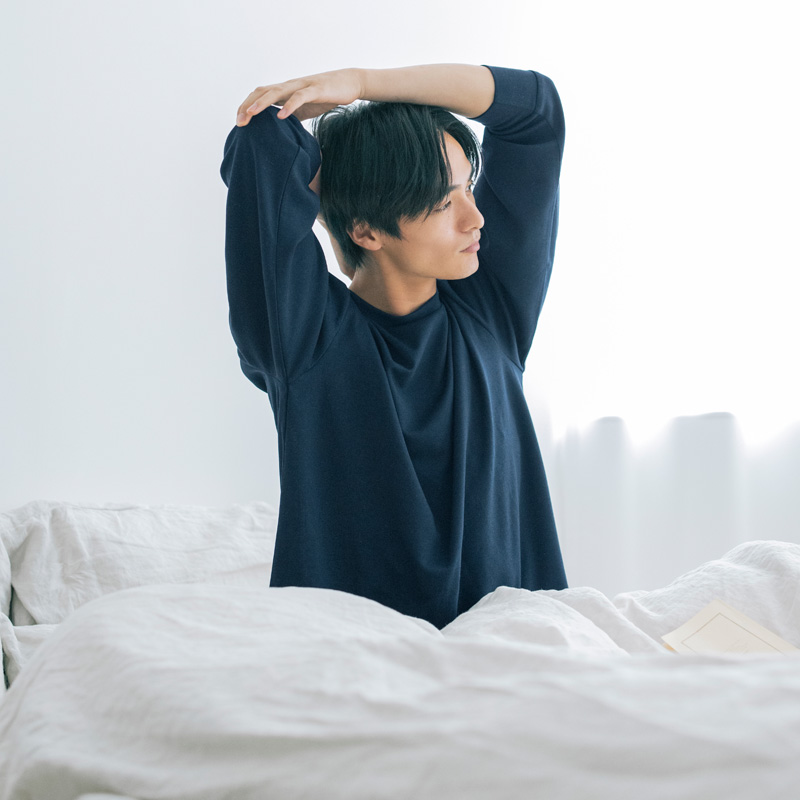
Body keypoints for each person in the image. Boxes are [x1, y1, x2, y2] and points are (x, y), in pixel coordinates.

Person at [220, 63, 567, 629]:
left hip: (517, 651)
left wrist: (362, 84)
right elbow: (259, 138)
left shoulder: (491, 311)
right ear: (366, 230)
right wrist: (311, 126)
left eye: (469, 189)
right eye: (444, 202)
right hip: (355, 660)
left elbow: (535, 112)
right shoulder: (304, 340)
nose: (476, 218)